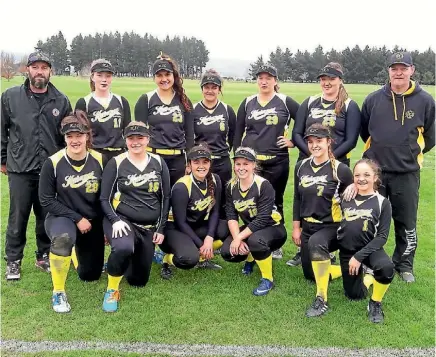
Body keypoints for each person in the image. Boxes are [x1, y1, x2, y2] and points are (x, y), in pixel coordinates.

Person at [352, 51, 435, 283]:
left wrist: (408, 154)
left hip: (407, 173)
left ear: (412, 70)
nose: (398, 72)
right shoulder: (373, 99)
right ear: (388, 71)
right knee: (369, 219)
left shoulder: (426, 100)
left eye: (403, 68)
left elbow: (430, 136)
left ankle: (404, 264)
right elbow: (365, 133)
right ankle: (368, 261)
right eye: (394, 68)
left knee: (406, 221)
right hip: (375, 174)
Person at [1, 50, 72, 280]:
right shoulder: (10, 97)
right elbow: (2, 131)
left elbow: (66, 138)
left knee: (46, 215)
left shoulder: (60, 100)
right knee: (18, 215)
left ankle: (43, 255)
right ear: (28, 70)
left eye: (44, 68)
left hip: (49, 169)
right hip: (20, 168)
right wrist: (2, 159)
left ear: (50, 71)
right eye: (35, 67)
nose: (39, 72)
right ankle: (13, 260)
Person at [288, 62, 361, 267]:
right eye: (323, 79)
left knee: (333, 206)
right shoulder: (310, 101)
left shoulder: (349, 105)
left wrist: (328, 159)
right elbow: (297, 133)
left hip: (337, 163)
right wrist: (312, 155)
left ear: (340, 80)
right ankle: (304, 246)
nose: (327, 82)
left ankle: (330, 247)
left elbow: (351, 140)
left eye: (332, 78)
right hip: (309, 162)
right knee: (307, 201)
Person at [38, 110, 105, 313]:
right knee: (64, 238)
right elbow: (46, 200)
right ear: (64, 137)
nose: (74, 140)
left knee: (90, 275)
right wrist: (77, 218)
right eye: (69, 136)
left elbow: (106, 197)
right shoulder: (53, 162)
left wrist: (105, 227)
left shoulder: (101, 160)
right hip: (62, 217)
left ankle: (76, 255)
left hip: (91, 222)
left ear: (87, 136)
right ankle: (58, 291)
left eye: (79, 135)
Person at [100, 121, 170, 312]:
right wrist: (115, 220)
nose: (136, 142)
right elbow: (104, 199)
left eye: (140, 138)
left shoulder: (158, 162)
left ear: (148, 139)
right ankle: (112, 289)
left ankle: (125, 258)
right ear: (126, 140)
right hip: (123, 220)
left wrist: (161, 228)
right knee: (123, 247)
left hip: (147, 226)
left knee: (138, 281)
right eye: (131, 138)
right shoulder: (117, 162)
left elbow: (166, 196)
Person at [233, 65, 299, 259]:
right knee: (250, 202)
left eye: (268, 78)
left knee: (275, 202)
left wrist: (293, 141)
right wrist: (238, 158)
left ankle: (275, 243)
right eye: (260, 78)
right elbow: (237, 132)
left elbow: (304, 120)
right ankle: (251, 240)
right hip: (253, 165)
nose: (264, 81)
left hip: (277, 161)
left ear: (275, 81)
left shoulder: (285, 101)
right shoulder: (248, 102)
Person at [292, 124, 353, 317]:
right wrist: (296, 228)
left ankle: (321, 298)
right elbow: (297, 198)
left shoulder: (340, 170)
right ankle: (342, 269)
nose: (314, 145)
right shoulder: (301, 165)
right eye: (311, 142)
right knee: (310, 274)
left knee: (317, 245)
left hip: (331, 226)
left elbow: (353, 204)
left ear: (328, 142)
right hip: (308, 226)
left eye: (319, 141)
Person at [221, 147, 287, 296]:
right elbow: (231, 215)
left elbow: (262, 219)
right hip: (252, 229)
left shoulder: (263, 185)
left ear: (253, 165)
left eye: (246, 164)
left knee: (256, 241)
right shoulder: (231, 187)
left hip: (273, 228)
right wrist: (237, 239)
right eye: (238, 164)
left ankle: (267, 279)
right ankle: (251, 259)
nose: (241, 168)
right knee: (227, 252)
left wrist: (239, 238)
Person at [159, 144, 229, 279]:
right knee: (190, 258)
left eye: (205, 162)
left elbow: (215, 212)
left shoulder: (215, 180)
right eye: (196, 162)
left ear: (210, 163)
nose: (201, 166)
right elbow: (180, 222)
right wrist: (202, 244)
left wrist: (209, 238)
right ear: (189, 165)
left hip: (194, 226)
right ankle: (167, 259)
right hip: (174, 230)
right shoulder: (182, 186)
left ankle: (202, 258)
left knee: (224, 228)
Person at [337, 159, 394, 323]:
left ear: (375, 177)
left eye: (367, 175)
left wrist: (359, 257)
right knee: (354, 295)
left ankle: (375, 302)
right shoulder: (347, 196)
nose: (361, 179)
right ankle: (368, 277)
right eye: (357, 175)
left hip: (370, 249)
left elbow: (382, 237)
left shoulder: (383, 202)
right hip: (347, 250)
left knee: (386, 268)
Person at [134, 52, 193, 187]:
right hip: (153, 158)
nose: (164, 79)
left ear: (173, 76)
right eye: (159, 75)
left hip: (178, 159)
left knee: (177, 198)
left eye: (167, 74)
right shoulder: (146, 100)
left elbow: (190, 135)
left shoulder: (184, 101)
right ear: (154, 77)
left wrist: (189, 162)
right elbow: (139, 135)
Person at [191, 69, 236, 217]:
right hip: (201, 163)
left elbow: (233, 137)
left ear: (219, 89)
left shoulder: (227, 110)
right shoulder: (193, 110)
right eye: (206, 87)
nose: (210, 90)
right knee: (200, 200)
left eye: (214, 87)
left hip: (222, 163)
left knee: (224, 200)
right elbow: (189, 139)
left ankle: (222, 235)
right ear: (202, 88)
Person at [75, 59, 131, 162]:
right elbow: (79, 134)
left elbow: (128, 132)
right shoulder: (84, 103)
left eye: (108, 76)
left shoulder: (122, 102)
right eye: (99, 75)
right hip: (94, 156)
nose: (104, 80)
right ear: (92, 77)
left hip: (118, 156)